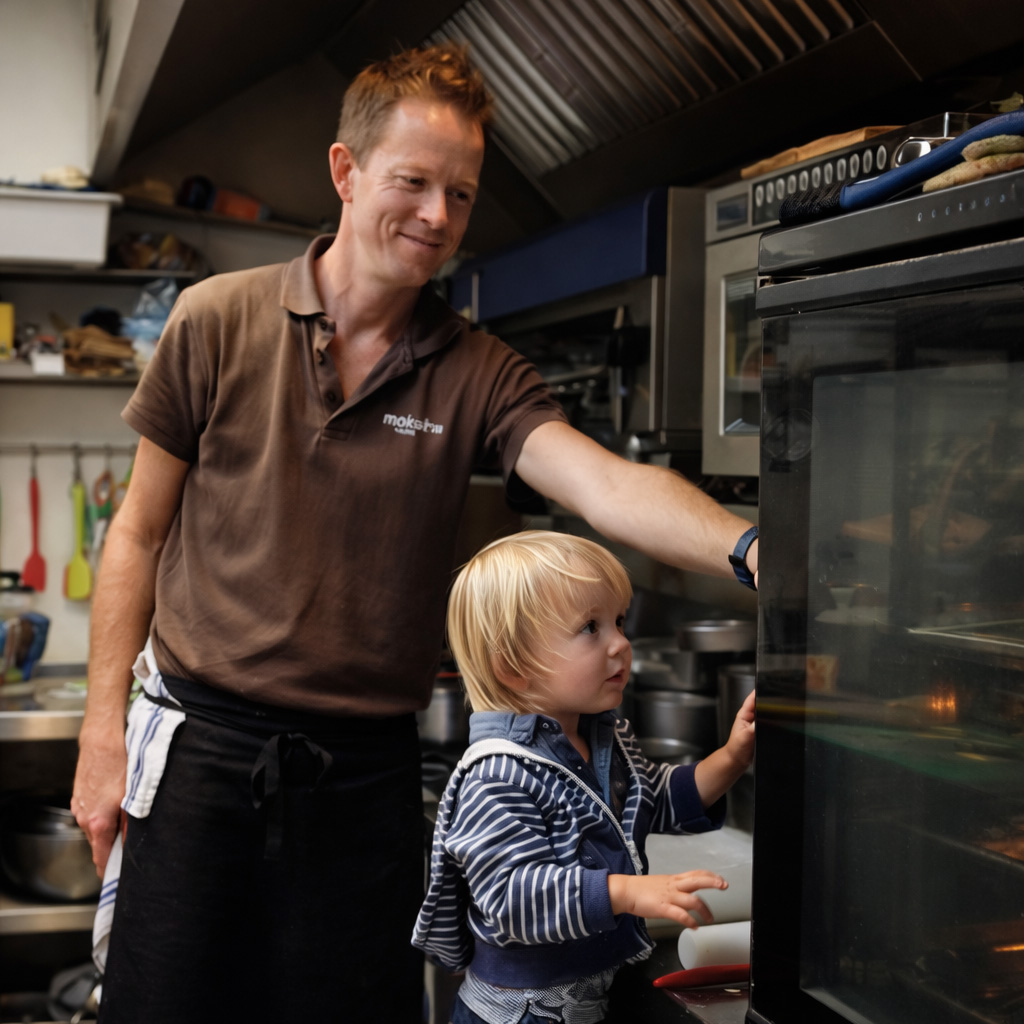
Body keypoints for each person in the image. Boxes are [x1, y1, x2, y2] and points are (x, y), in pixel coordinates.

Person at [71, 41, 759, 1024]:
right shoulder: (213, 320)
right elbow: (134, 534)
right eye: (415, 182)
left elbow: (603, 484)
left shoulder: (474, 368)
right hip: (198, 759)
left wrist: (750, 547)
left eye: (463, 194)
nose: (439, 216)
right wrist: (102, 735)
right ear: (345, 173)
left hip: (364, 781)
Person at [413, 530, 756, 1024]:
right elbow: (514, 898)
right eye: (591, 628)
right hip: (523, 1014)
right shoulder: (498, 774)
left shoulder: (600, 737)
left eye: (619, 620)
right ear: (513, 666)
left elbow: (652, 797)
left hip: (583, 1002)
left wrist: (732, 757)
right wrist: (627, 892)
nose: (621, 643)